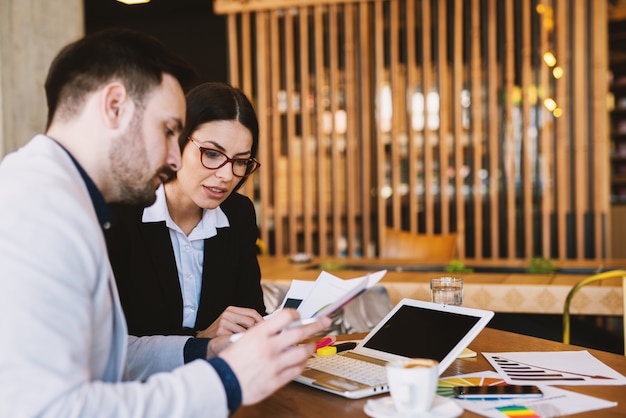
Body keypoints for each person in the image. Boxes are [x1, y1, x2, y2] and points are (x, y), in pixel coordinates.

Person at [0, 28, 330, 417]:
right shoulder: (37, 209)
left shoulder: (67, 201)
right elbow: (50, 409)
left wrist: (203, 349)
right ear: (114, 106)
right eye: (169, 130)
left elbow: (112, 357)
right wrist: (227, 380)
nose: (174, 158)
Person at [107, 82, 266, 339]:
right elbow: (109, 342)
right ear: (177, 141)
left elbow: (251, 312)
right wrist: (199, 341)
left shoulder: (238, 215)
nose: (226, 175)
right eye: (212, 153)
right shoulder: (120, 214)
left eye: (240, 162)